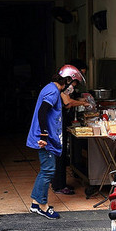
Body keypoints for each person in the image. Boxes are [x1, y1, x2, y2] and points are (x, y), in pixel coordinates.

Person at [26, 70, 72, 220]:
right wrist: (44, 135)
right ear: (66, 82)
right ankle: (43, 206)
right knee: (48, 171)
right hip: (45, 139)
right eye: (71, 83)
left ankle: (35, 203)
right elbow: (42, 111)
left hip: (46, 137)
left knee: (45, 170)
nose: (71, 87)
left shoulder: (49, 88)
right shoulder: (53, 92)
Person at [52, 64, 91, 195]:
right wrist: (83, 103)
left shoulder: (63, 87)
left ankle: (57, 182)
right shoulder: (62, 88)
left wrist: (81, 100)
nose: (75, 85)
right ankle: (59, 185)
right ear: (69, 78)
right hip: (58, 124)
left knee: (60, 154)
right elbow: (68, 103)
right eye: (74, 82)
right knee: (60, 154)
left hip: (59, 123)